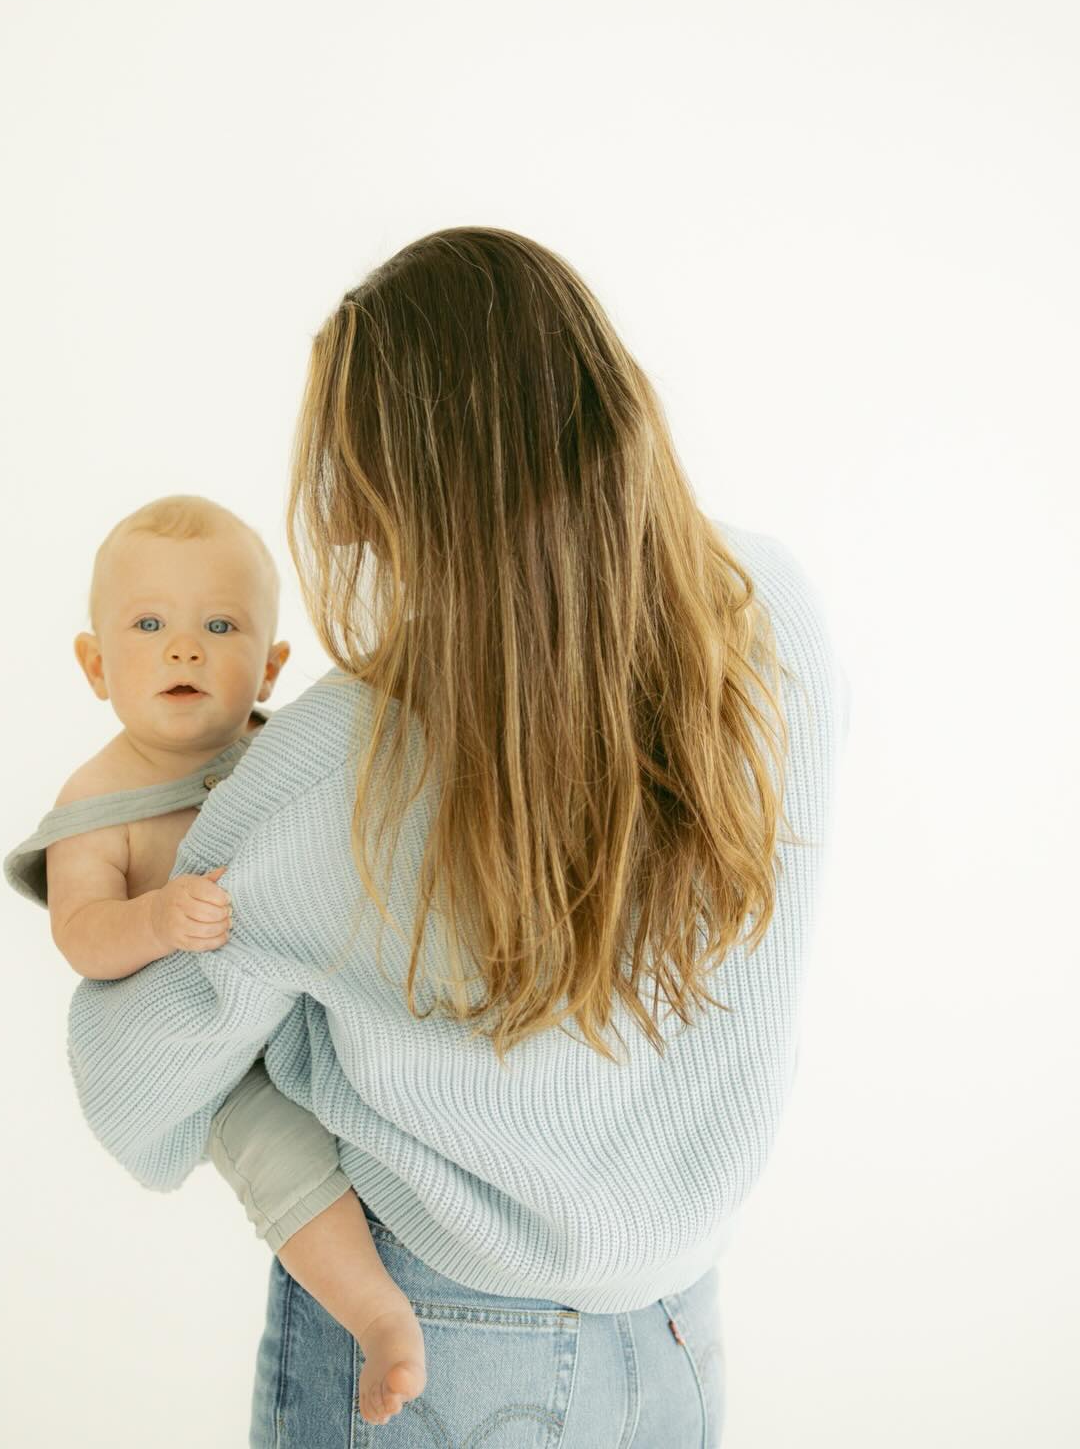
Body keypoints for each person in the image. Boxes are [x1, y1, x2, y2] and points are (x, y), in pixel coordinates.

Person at [62, 226, 851, 1446]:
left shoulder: (347, 758)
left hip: (431, 1342)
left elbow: (134, 1082)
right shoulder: (763, 612)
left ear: (395, 492)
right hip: (679, 1340)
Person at [2, 495, 430, 1424]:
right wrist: (155, 918)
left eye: (221, 627)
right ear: (94, 664)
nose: (185, 650)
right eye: (149, 625)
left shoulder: (284, 754)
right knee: (282, 1159)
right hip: (213, 1059)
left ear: (271, 666)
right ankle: (377, 1314)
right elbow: (81, 933)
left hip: (308, 1001)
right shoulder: (97, 798)